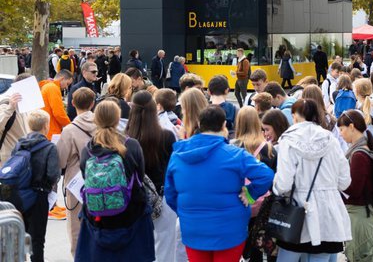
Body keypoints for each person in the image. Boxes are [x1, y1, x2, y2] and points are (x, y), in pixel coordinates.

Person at [165, 105, 274, 261]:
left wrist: (187, 211)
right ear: (224, 125)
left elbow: (170, 194)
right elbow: (266, 175)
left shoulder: (177, 155)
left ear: (199, 124)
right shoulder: (235, 154)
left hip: (193, 228)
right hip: (230, 229)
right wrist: (250, 193)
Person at [272, 99, 351, 261]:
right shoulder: (331, 140)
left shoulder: (288, 141)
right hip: (327, 215)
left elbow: (283, 184)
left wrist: (276, 188)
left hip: (297, 214)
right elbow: (345, 182)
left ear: (294, 116)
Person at [76, 99, 154, 262]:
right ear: (118, 118)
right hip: (131, 216)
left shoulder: (87, 150)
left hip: (98, 219)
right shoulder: (131, 145)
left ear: (96, 119)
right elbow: (140, 177)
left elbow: (86, 177)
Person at [126, 91, 177, 262]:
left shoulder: (125, 139)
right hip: (163, 197)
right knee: (165, 249)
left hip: (133, 198)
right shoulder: (166, 136)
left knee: (135, 247)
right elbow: (173, 169)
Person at [336, 110, 373, 262]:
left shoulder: (358, 155)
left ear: (351, 127)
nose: (340, 134)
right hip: (364, 215)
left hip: (361, 218)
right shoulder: (364, 147)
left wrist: (336, 182)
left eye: (342, 130)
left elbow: (354, 190)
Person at [12, 110, 60, 262]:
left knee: (21, 234)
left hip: (19, 195)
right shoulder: (49, 147)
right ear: (46, 126)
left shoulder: (19, 144)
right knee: (37, 239)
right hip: (38, 196)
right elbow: (53, 175)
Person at [232, 106, 278, 262]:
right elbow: (274, 178)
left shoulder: (232, 146)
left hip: (238, 202)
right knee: (258, 244)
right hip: (262, 206)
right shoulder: (269, 148)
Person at [57, 87, 98, 255]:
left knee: (76, 226)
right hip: (100, 177)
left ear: (73, 103)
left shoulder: (69, 130)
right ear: (93, 103)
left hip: (76, 182)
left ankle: (79, 256)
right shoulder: (102, 125)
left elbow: (60, 160)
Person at [0, 73, 32, 164]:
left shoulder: (26, 105)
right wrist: (10, 108)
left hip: (21, 156)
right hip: (7, 159)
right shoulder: (6, 103)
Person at [39, 69, 74, 140]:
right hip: (51, 132)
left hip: (46, 130)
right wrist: (70, 126)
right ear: (62, 79)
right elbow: (58, 113)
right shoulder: (53, 88)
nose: (67, 87)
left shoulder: (47, 86)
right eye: (67, 84)